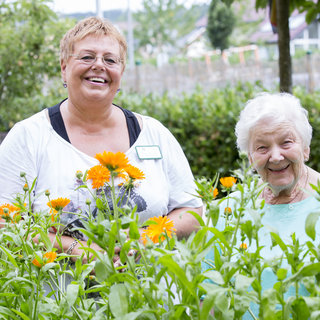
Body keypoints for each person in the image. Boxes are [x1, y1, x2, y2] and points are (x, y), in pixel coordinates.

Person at [0, 17, 202, 263]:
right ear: (64, 67)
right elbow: (5, 223)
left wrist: (146, 237)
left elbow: (192, 212)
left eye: (110, 59)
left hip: (150, 296)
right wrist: (77, 249)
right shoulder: (28, 137)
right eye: (86, 57)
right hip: (62, 299)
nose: (98, 65)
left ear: (121, 72)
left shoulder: (154, 133)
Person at [202, 92, 320, 318]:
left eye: (286, 142)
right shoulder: (230, 211)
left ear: (305, 148)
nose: (275, 157)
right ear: (250, 158)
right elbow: (207, 295)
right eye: (262, 148)